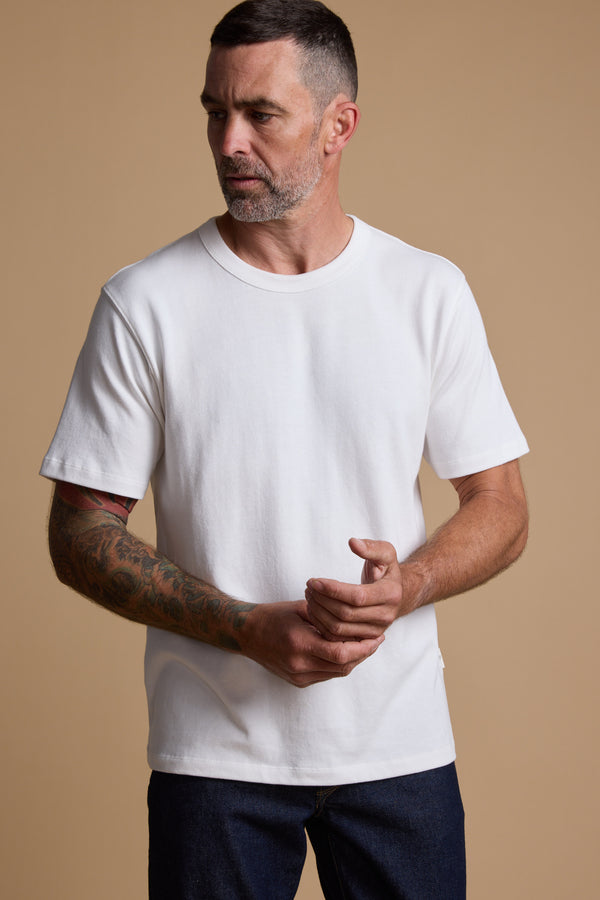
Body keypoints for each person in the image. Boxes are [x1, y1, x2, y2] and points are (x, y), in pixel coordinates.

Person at [41, 1, 529, 897]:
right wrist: (243, 629)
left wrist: (408, 585)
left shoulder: (427, 291)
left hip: (399, 748)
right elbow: (79, 534)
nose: (229, 140)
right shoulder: (143, 303)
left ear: (338, 125)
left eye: (260, 114)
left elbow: (501, 505)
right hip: (212, 760)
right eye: (214, 111)